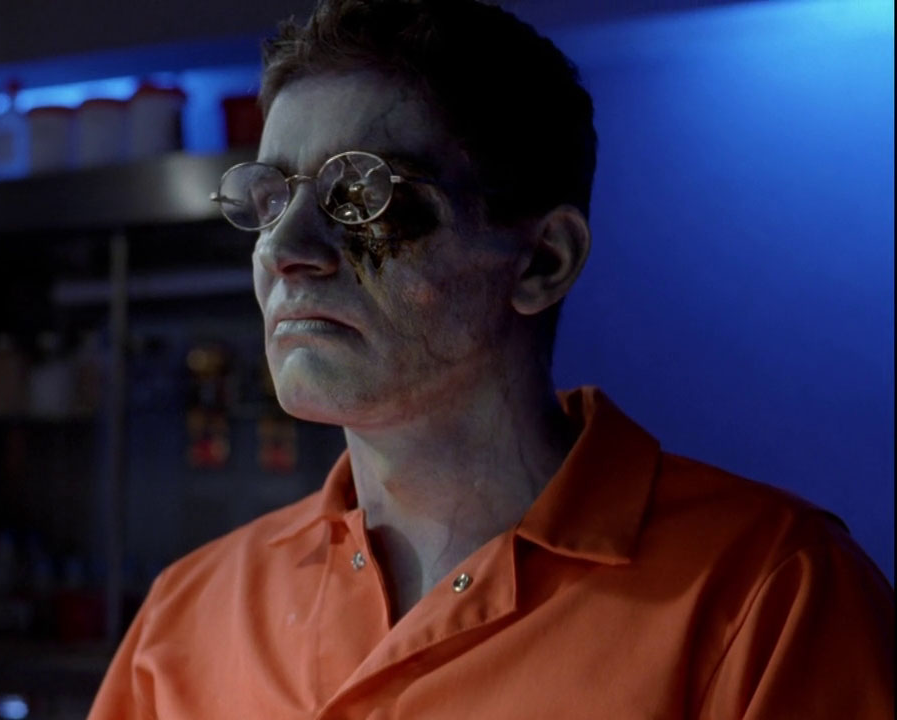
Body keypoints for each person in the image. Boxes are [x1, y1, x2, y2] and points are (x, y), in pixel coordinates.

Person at [88, 1, 894, 717]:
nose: (282, 249)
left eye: (362, 193)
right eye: (270, 199)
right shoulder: (188, 616)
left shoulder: (768, 595)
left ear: (542, 261)